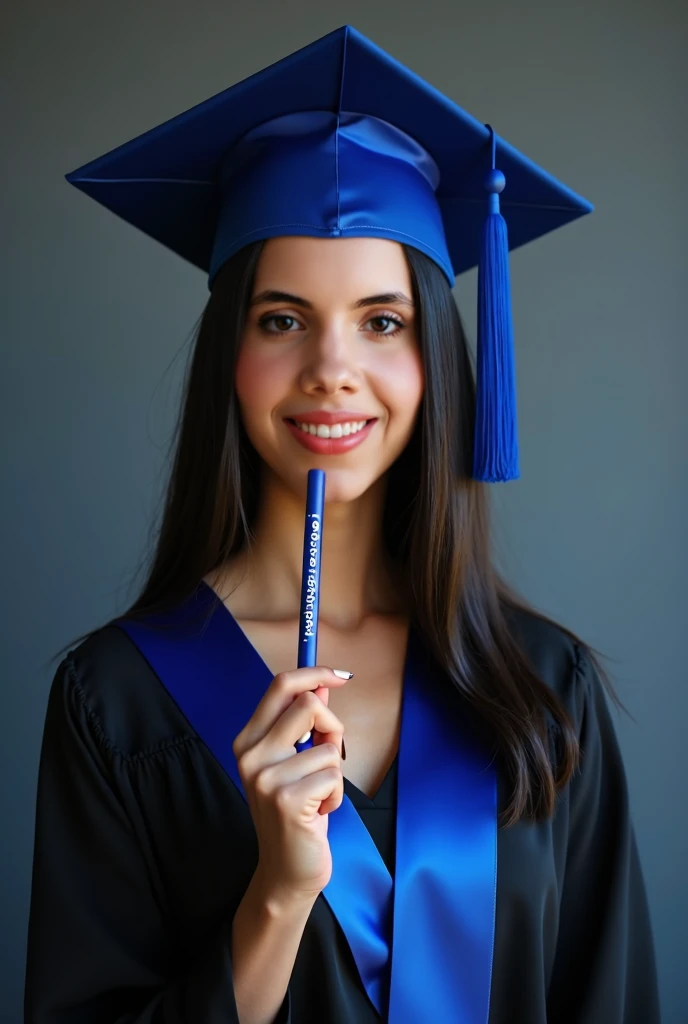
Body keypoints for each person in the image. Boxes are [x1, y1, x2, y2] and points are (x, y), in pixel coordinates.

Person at [25, 24, 660, 1024]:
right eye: (281, 318)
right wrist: (274, 899)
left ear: (435, 361)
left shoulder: (543, 690)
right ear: (229, 356)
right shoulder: (117, 703)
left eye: (382, 320)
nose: (331, 366)